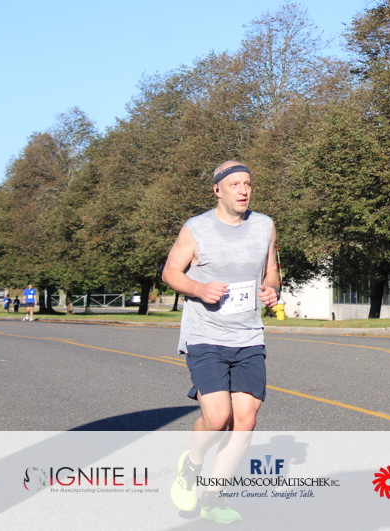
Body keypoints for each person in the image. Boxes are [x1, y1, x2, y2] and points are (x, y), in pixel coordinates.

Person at [161, 160, 281, 524]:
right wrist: (199, 288)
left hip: (248, 336)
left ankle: (213, 498)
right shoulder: (196, 229)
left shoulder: (264, 226)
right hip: (206, 335)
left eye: (248, 184)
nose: (243, 190)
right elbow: (170, 272)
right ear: (218, 190)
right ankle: (191, 466)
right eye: (235, 184)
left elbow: (271, 270)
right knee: (217, 417)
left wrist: (272, 289)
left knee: (245, 421)